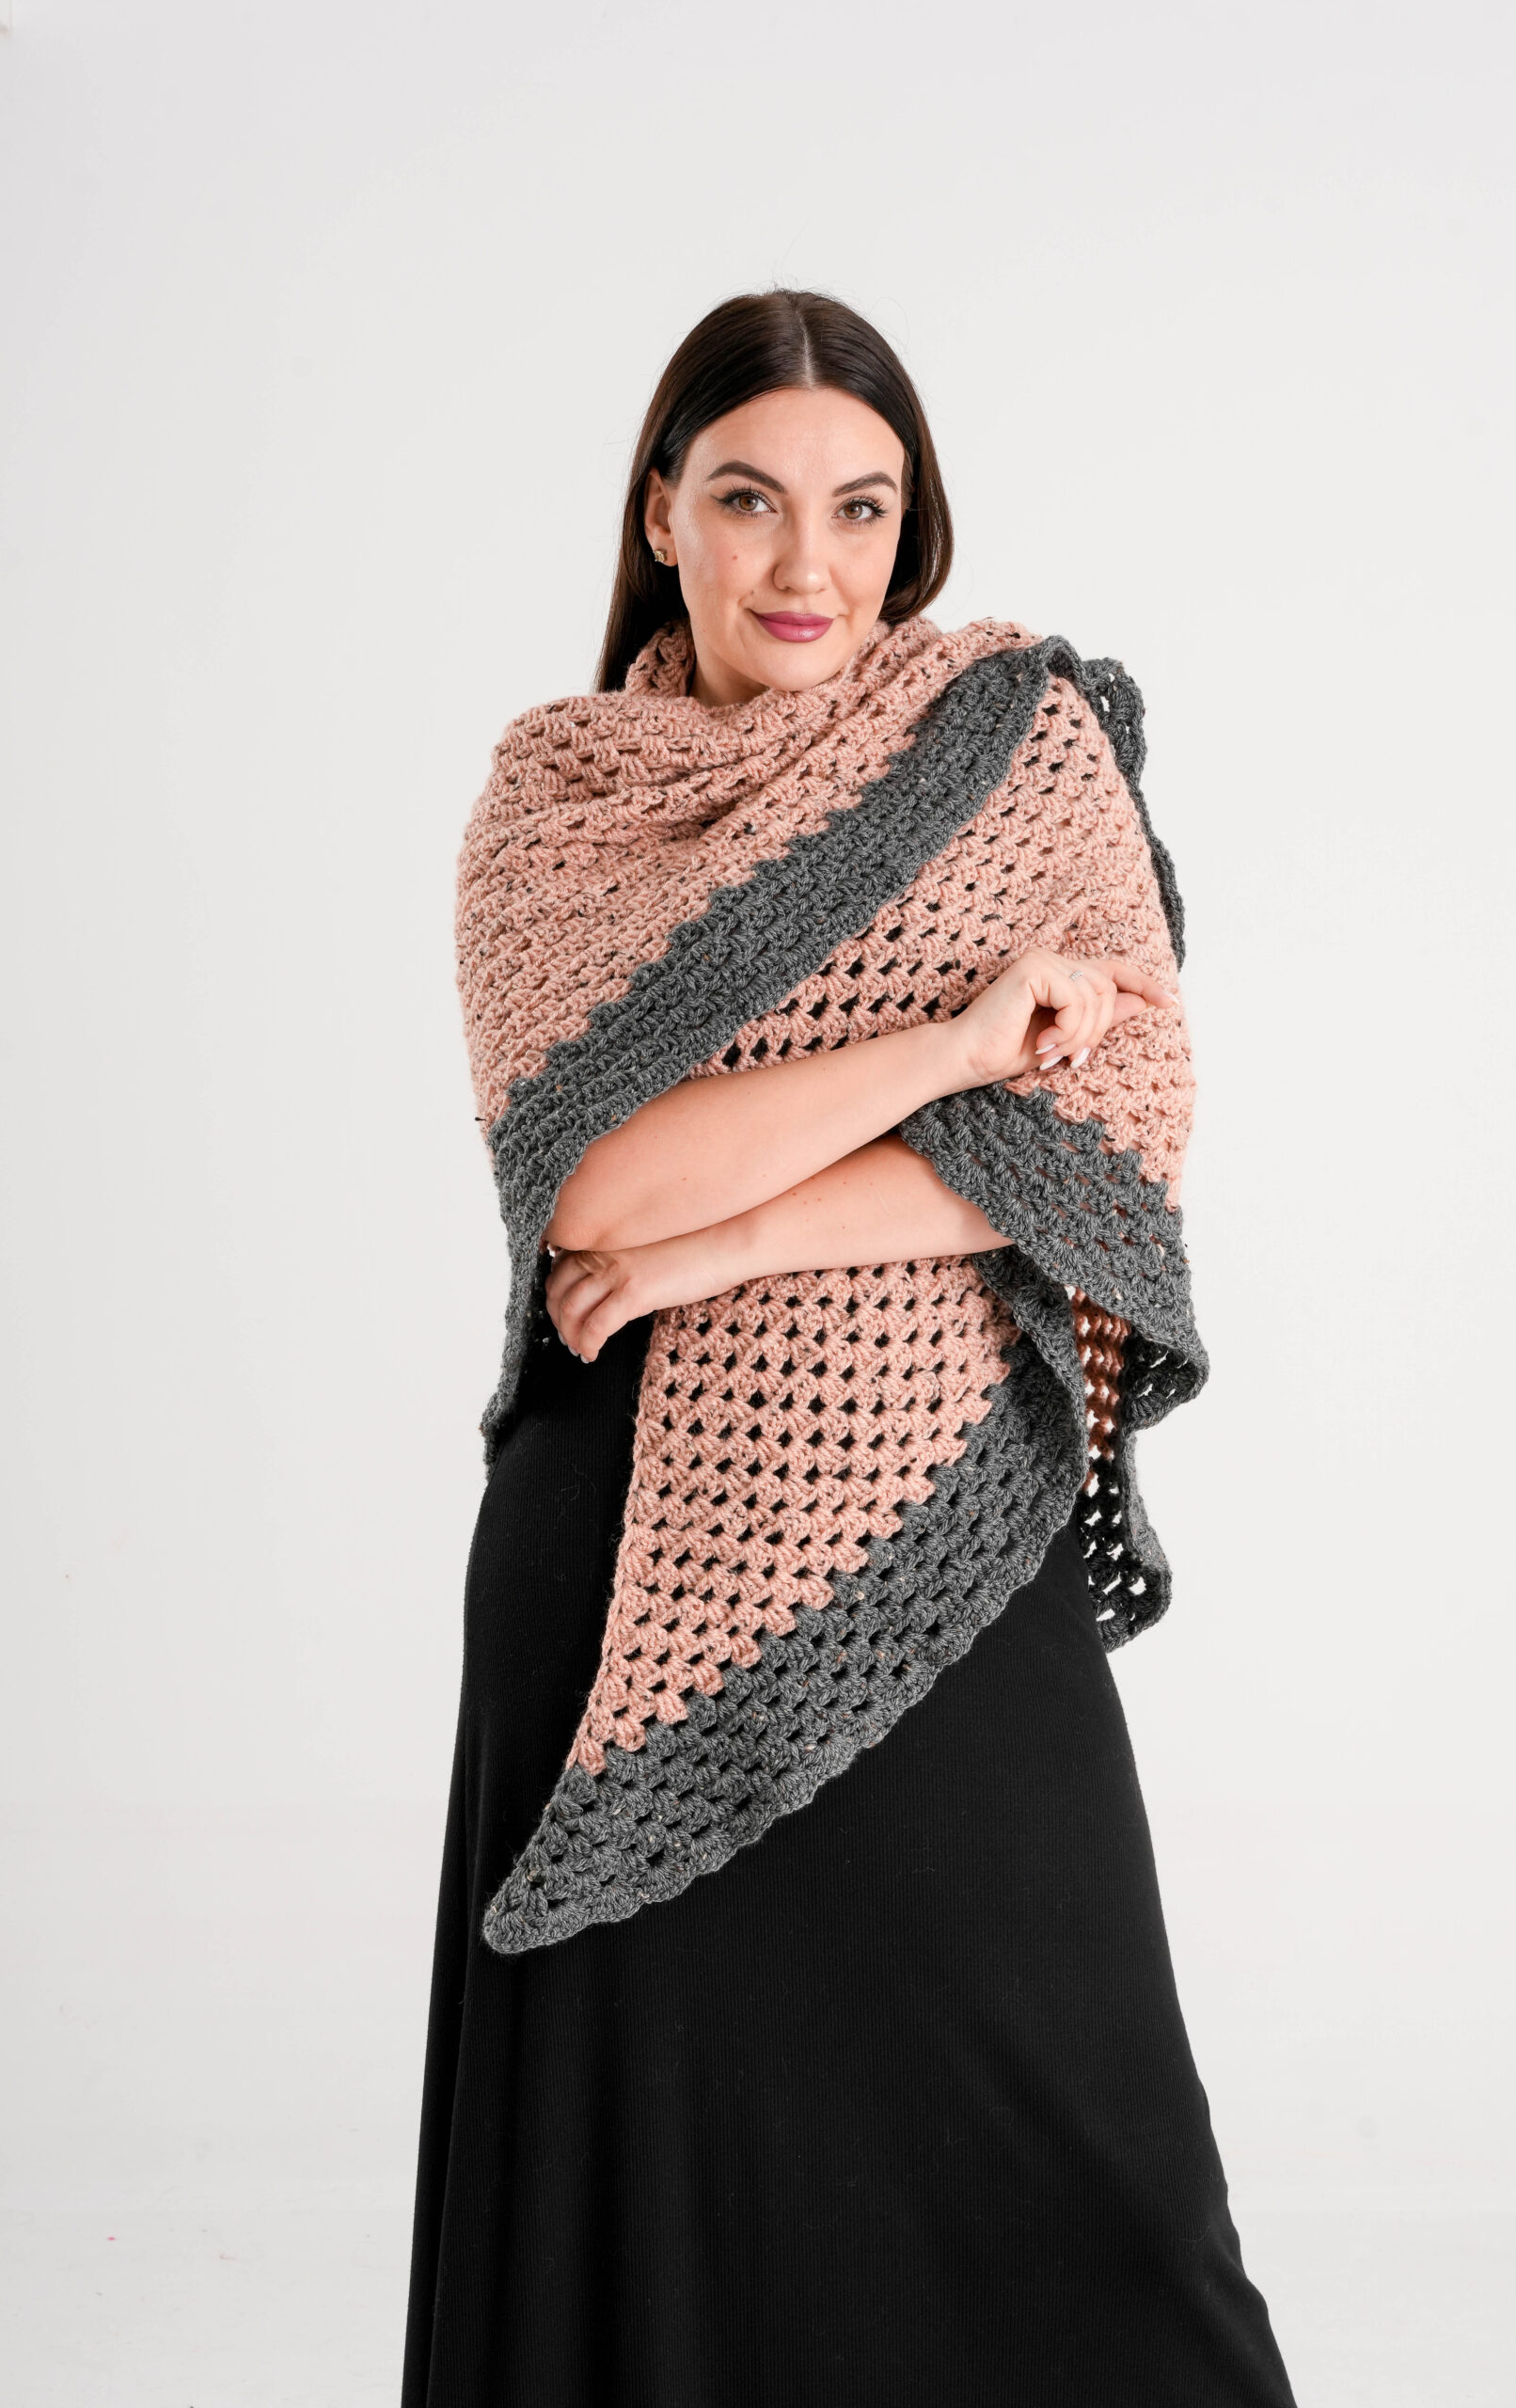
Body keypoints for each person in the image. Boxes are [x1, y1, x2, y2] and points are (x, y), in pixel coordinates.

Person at [401, 289, 1296, 2407]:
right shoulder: (557, 809)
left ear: (914, 525)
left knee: (1102, 2173)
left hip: (946, 1531)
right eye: (749, 499)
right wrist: (952, 1049)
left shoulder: (1016, 747)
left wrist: (751, 1227)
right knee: (669, 2194)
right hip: (618, 1559)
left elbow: (1114, 1134)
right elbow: (595, 1190)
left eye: (860, 507)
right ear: (662, 514)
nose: (806, 563)